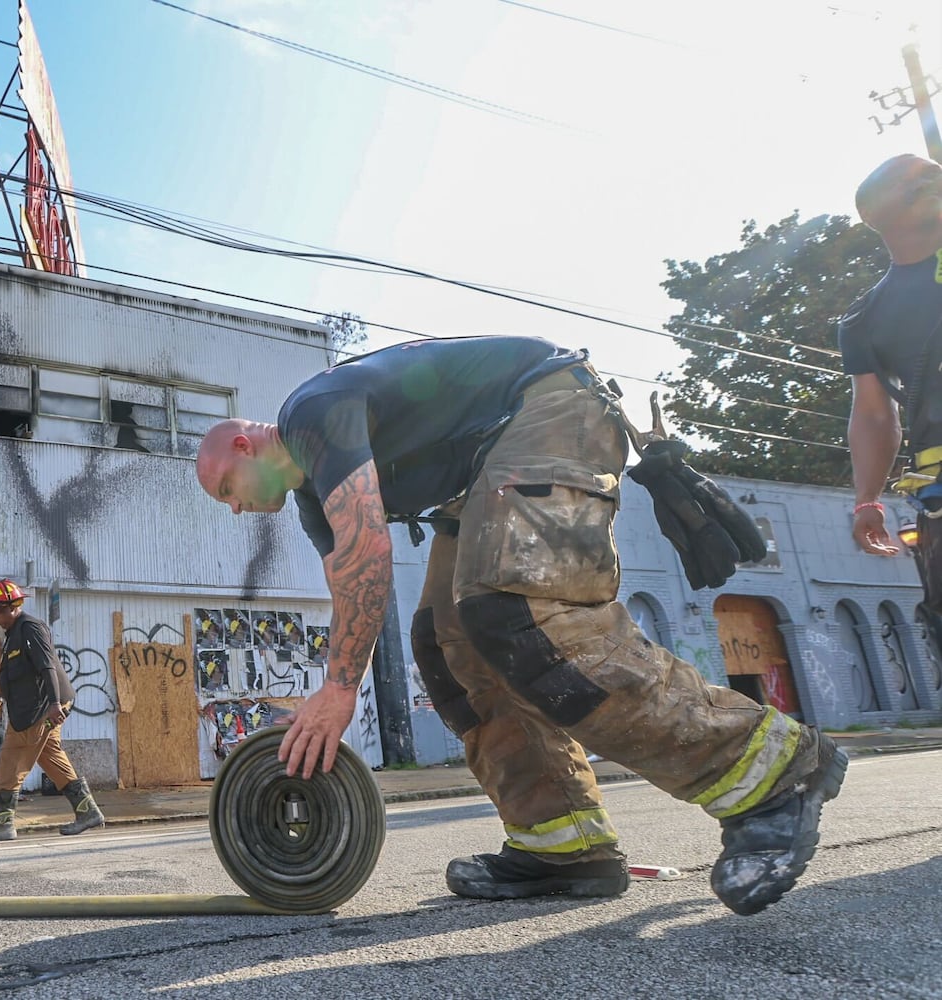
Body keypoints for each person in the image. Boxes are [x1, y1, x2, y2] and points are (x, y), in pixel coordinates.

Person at [194, 335, 846, 916]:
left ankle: (770, 773)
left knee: (517, 607)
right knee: (447, 648)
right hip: (484, 469)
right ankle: (562, 841)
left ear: (245, 445)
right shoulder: (313, 496)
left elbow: (370, 550)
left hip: (549, 406)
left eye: (226, 488)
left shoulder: (307, 413)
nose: (232, 508)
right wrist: (324, 696)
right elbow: (353, 585)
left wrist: (339, 692)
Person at [840, 153, 942, 648]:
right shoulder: (866, 317)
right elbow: (875, 415)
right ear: (882, 214)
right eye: (924, 182)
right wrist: (866, 501)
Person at [0, 579, 106, 842]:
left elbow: (47, 667)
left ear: (12, 607)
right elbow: (18, 675)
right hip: (36, 706)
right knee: (50, 755)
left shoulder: (30, 628)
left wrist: (54, 704)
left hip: (40, 709)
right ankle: (88, 812)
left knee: (11, 758)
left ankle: (2, 825)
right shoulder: (13, 635)